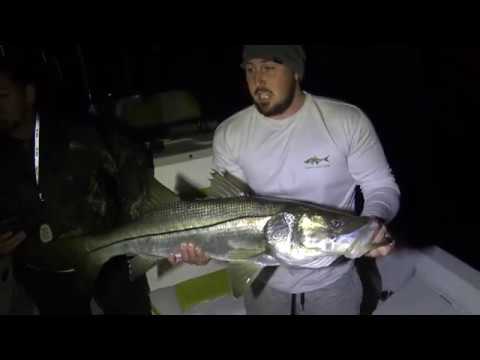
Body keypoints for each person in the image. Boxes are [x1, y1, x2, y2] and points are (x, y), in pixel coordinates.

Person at [172, 45, 400, 315]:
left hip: (334, 280)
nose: (258, 81)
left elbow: (381, 186)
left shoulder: (345, 121)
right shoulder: (230, 133)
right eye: (250, 69)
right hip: (264, 280)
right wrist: (207, 248)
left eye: (269, 67)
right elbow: (229, 210)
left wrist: (374, 221)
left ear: (296, 72)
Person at [0, 56, 153, 315]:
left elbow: (136, 160)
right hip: (45, 273)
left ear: (28, 94)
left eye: (2, 95)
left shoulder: (78, 132)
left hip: (109, 260)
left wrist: (130, 226)